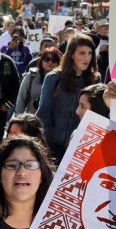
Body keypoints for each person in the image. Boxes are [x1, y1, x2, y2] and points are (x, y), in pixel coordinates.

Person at [35, 33, 100, 164]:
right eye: (82, 53)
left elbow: (97, 115)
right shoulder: (53, 78)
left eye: (89, 53)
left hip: (80, 147)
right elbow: (43, 114)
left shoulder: (95, 79)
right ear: (72, 55)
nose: (86, 58)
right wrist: (44, 145)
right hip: (52, 145)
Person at [13, 48, 62, 119]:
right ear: (41, 60)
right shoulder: (31, 76)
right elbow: (21, 98)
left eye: (54, 60)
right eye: (47, 59)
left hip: (52, 121)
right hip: (31, 119)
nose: (50, 62)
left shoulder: (62, 79)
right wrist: (18, 118)